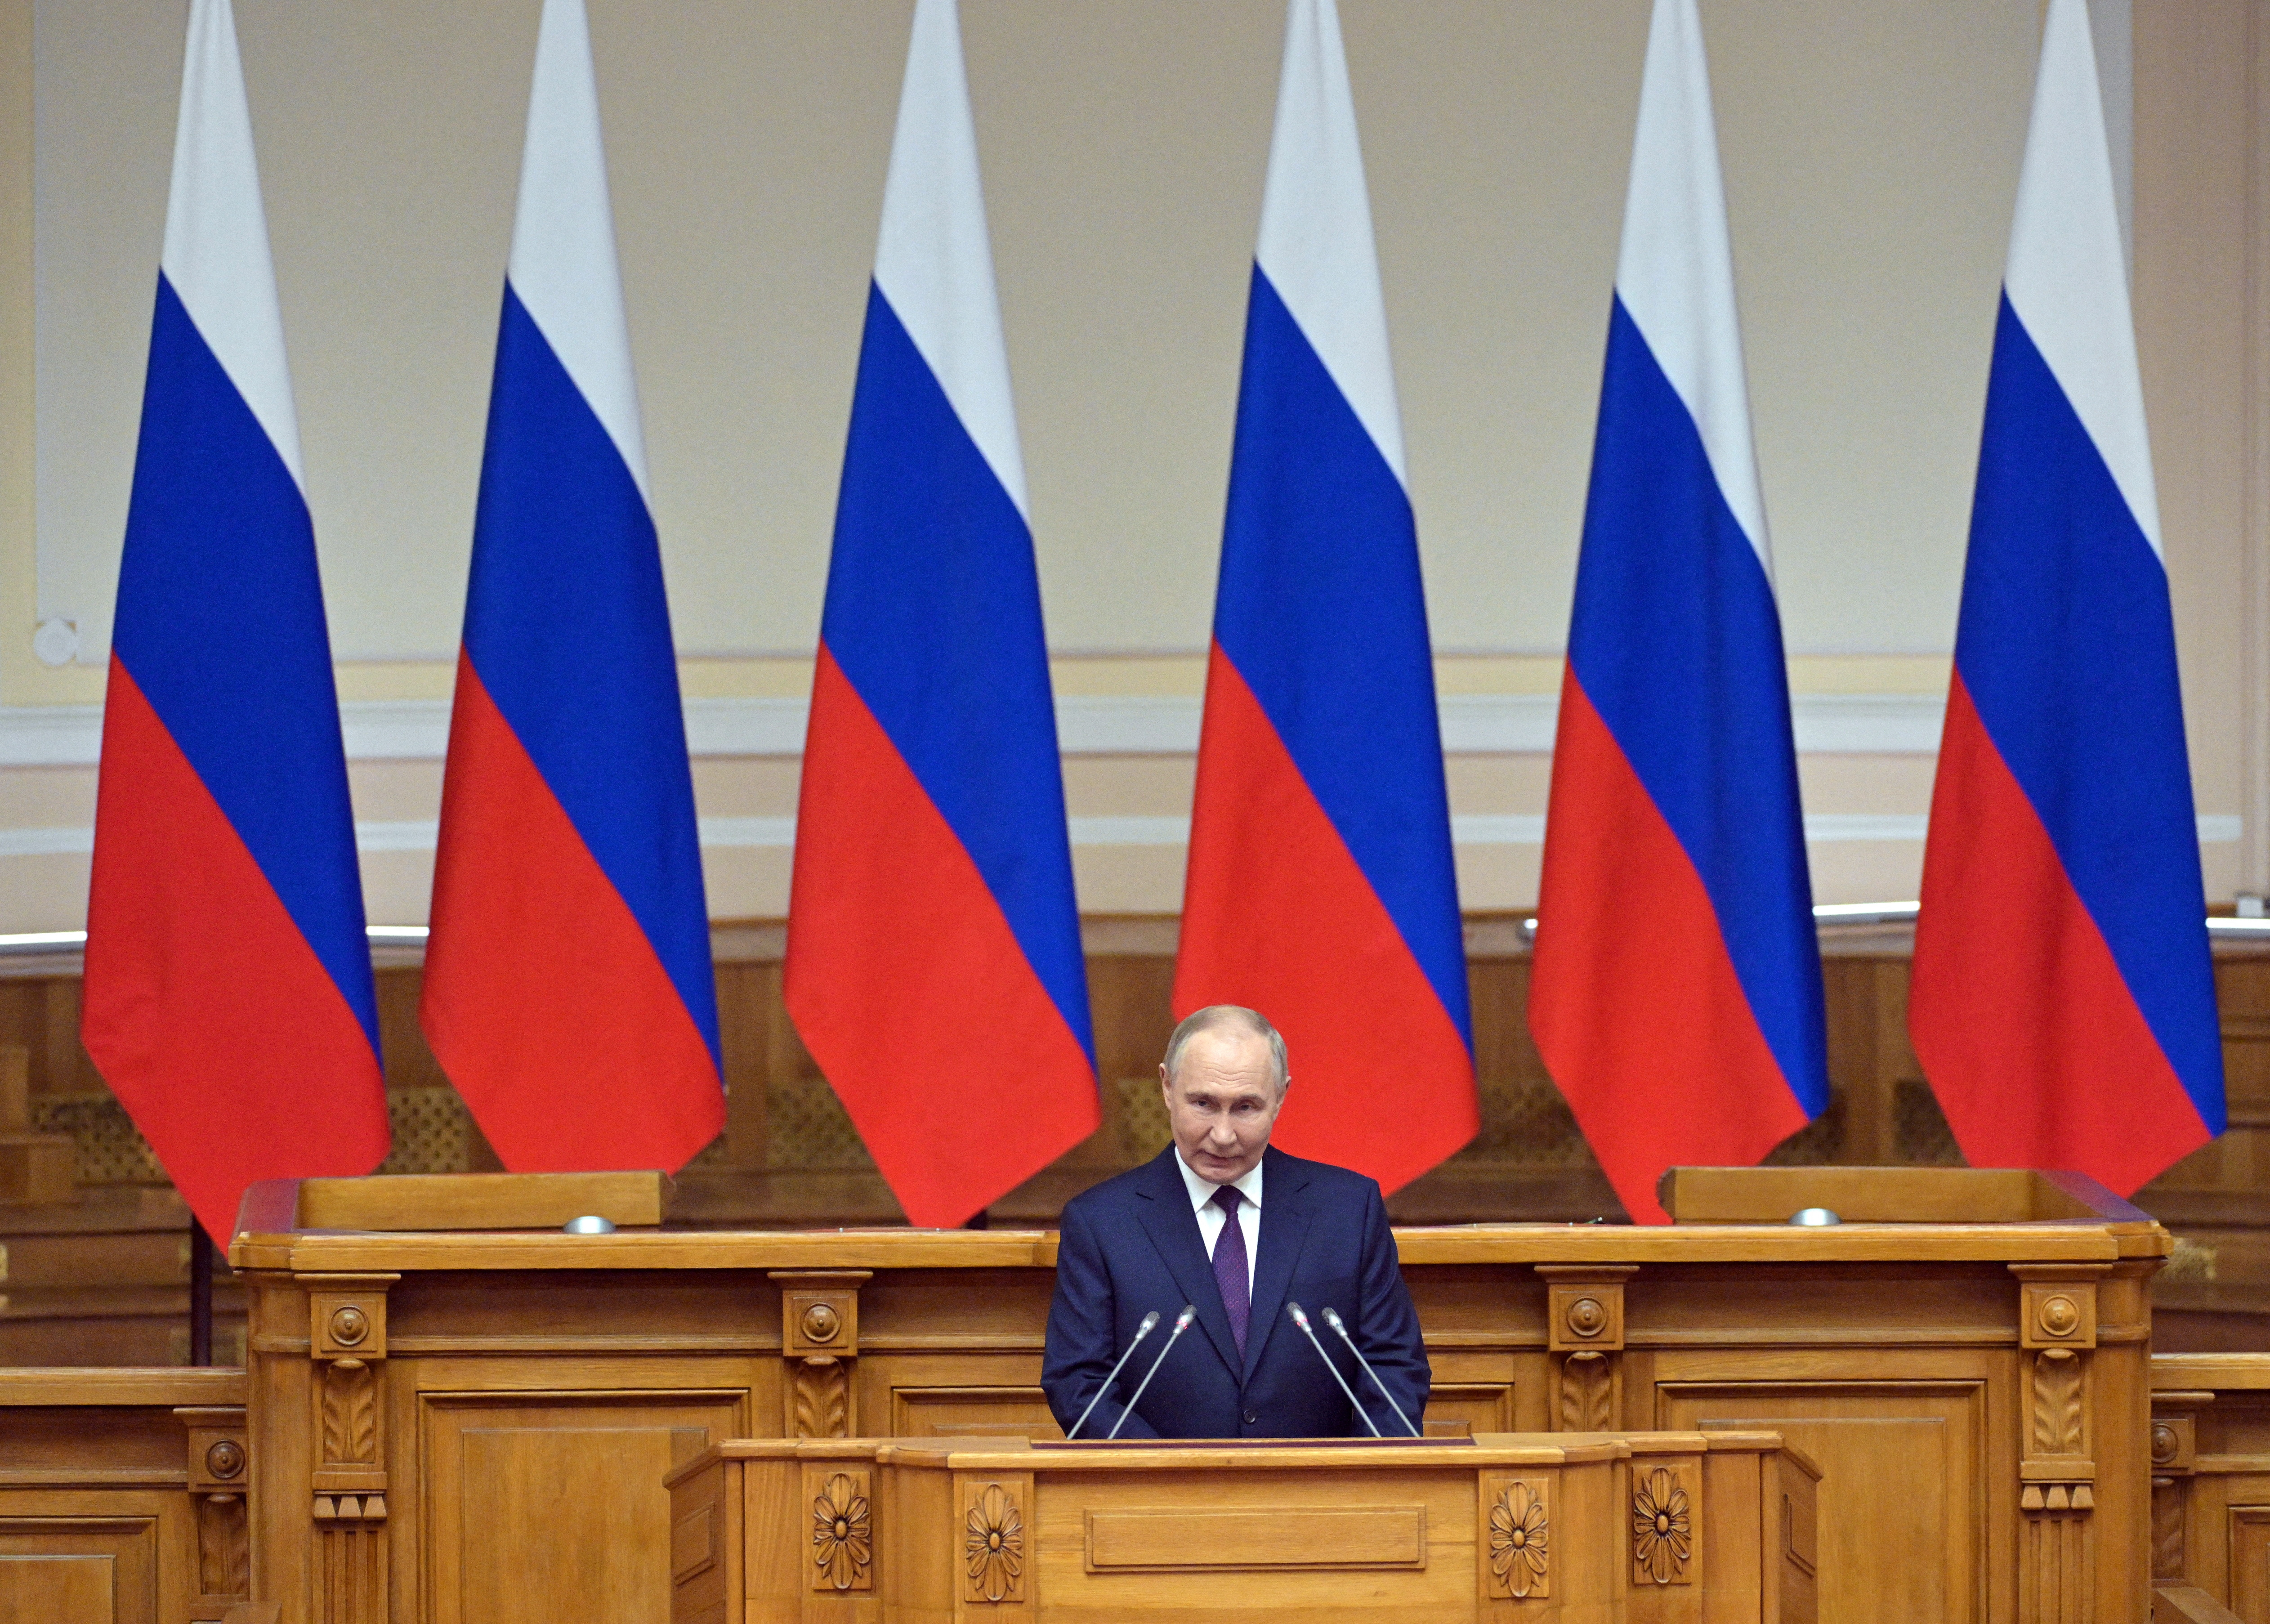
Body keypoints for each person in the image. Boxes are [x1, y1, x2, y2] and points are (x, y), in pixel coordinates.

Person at [1041, 1005, 1430, 1438]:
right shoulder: (1101, 1223)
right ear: (1168, 1087)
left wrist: (1357, 1482)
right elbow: (1079, 1383)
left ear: (1281, 1096)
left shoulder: (1347, 1209)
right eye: (1203, 1103)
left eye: (1245, 1107)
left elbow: (1394, 1365)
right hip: (1159, 1497)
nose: (1223, 1135)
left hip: (1320, 1494)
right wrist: (1165, 1478)